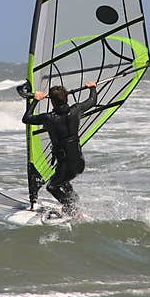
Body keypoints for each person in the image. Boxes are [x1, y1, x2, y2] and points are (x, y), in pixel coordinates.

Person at [22, 80, 97, 216]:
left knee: (52, 186)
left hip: (66, 165)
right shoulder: (76, 110)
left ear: (52, 102)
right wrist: (92, 87)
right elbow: (92, 101)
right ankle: (74, 203)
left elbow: (27, 118)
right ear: (66, 97)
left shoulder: (49, 118)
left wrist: (36, 100)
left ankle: (72, 208)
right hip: (79, 163)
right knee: (64, 181)